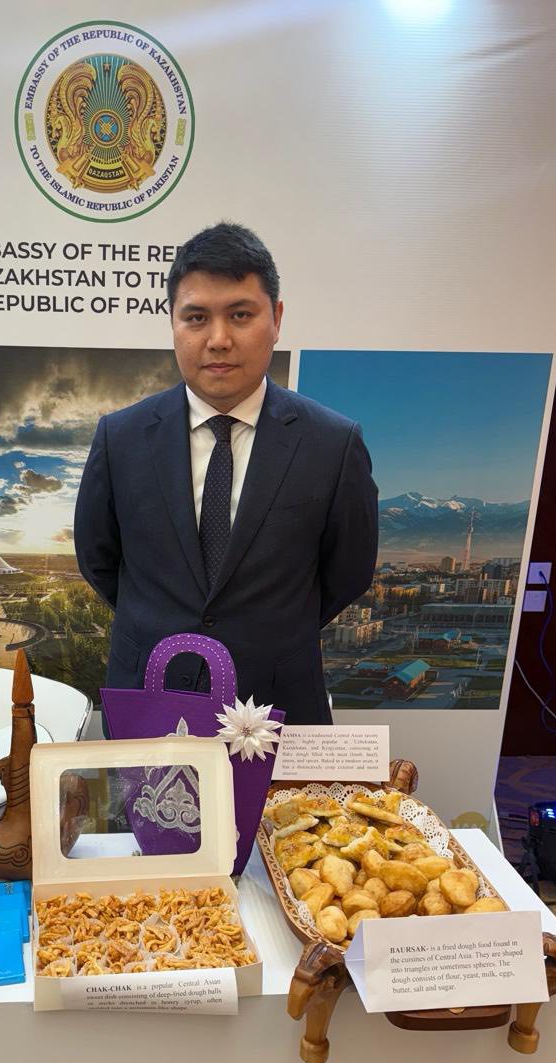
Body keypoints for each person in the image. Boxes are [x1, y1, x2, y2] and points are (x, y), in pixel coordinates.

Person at [74, 222, 378, 724]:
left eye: (240, 315)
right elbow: (98, 560)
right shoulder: (120, 437)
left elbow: (349, 574)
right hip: (151, 693)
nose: (218, 340)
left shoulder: (333, 443)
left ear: (276, 319)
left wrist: (269, 633)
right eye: (196, 317)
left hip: (278, 700)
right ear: (173, 323)